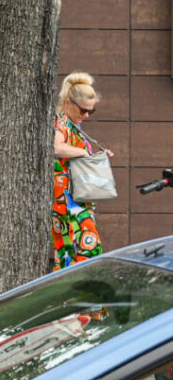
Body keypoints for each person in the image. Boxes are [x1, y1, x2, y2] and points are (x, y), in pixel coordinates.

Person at [52, 71, 114, 271]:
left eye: (91, 111)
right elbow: (56, 147)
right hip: (67, 199)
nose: (86, 115)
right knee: (85, 246)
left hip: (74, 197)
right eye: (83, 110)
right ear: (68, 102)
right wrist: (83, 153)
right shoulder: (61, 122)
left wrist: (96, 155)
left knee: (74, 249)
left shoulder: (74, 125)